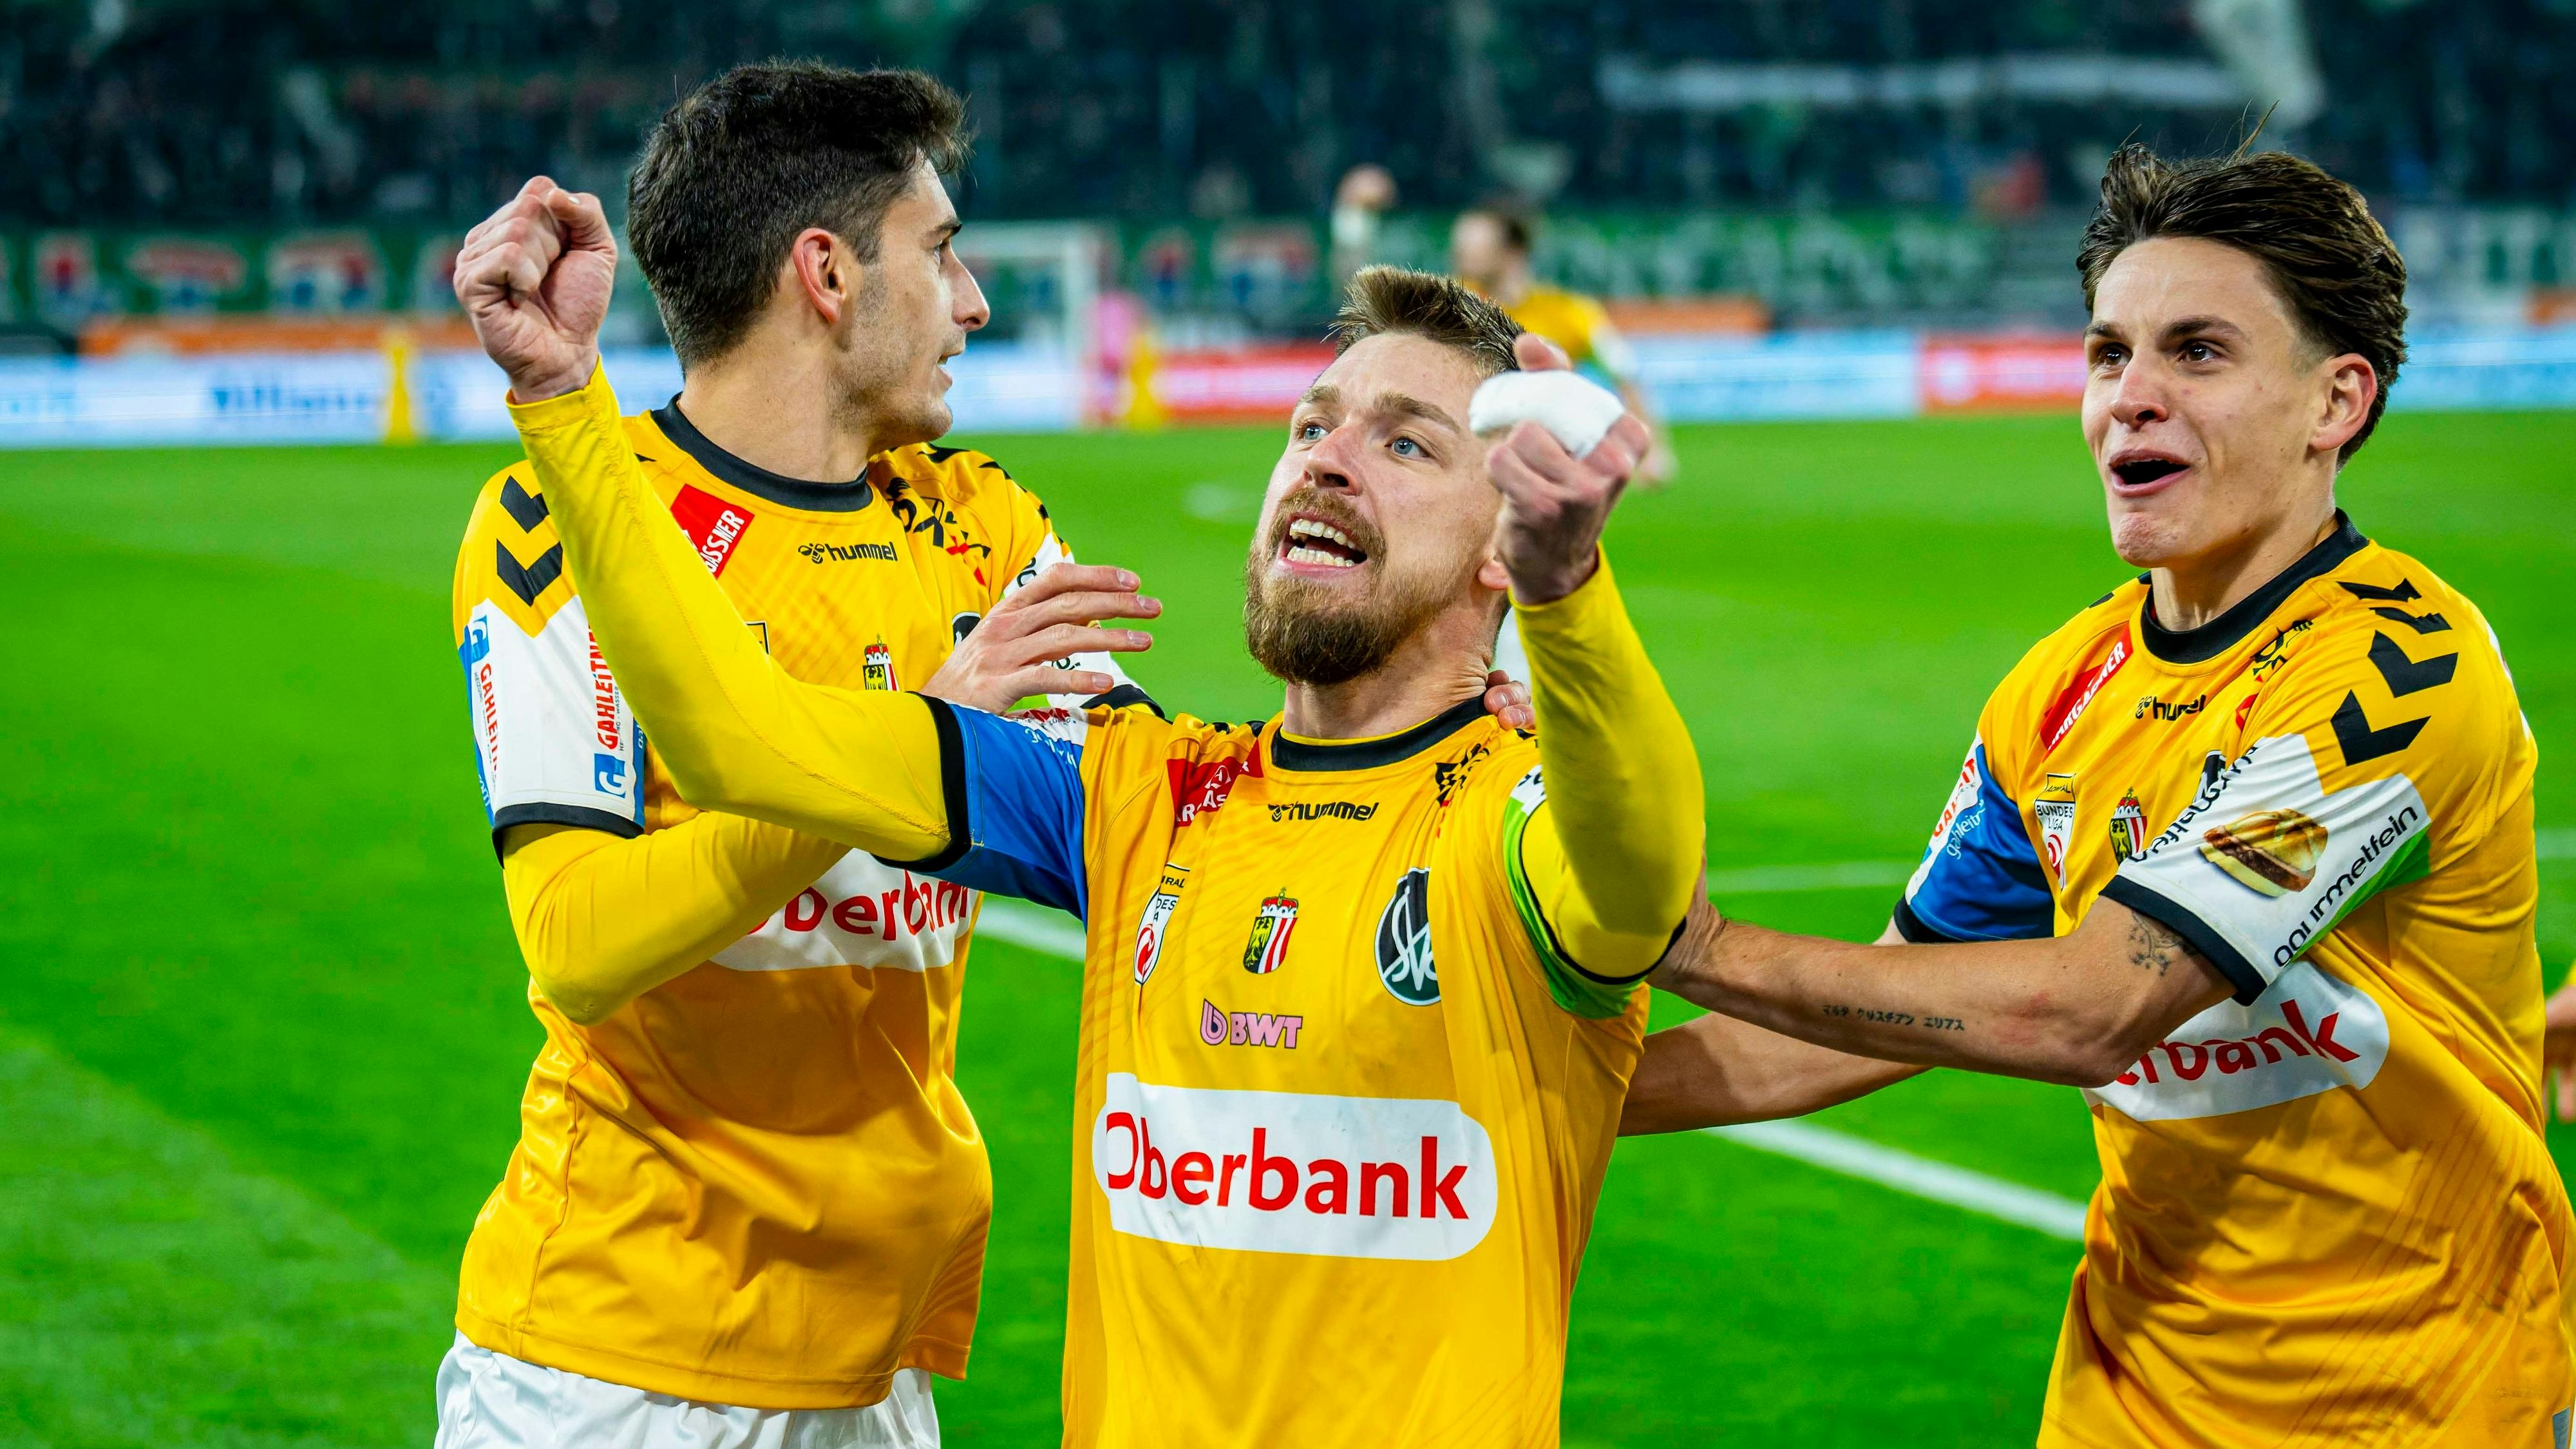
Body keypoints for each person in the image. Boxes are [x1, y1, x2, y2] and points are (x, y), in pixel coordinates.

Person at [459, 192, 1756, 1435]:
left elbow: (1638, 884)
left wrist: (1569, 595)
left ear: (1501, 546)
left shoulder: (1506, 818)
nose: (1327, 464)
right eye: (1310, 428)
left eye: (1404, 442)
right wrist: (565, 402)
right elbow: (734, 734)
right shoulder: (1137, 797)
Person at [1626, 144, 2571, 1444]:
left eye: (2195, 352)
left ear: (2332, 402)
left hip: (2423, 1405)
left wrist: (1699, 948)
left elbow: (2096, 1009)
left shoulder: (2392, 674)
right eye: (2105, 352)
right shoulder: (2059, 689)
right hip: (2127, 1399)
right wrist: (1528, 1093)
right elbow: (1881, 1001)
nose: (2128, 397)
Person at [437, 62, 1209, 1446]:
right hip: (621, 1358)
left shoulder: (978, 525)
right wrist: (912, 742)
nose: (974, 303)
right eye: (942, 252)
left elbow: (1153, 833)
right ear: (825, 274)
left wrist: (1398, 731)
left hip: (875, 1353)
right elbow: (575, 938)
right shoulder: (570, 524)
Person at [1450, 204, 1675, 486]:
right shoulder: (1449, 309)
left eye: (1474, 243)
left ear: (1513, 251)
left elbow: (1626, 376)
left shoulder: (1572, 313)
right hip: (1468, 467)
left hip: (1548, 470)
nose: (1460, 252)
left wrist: (1653, 450)